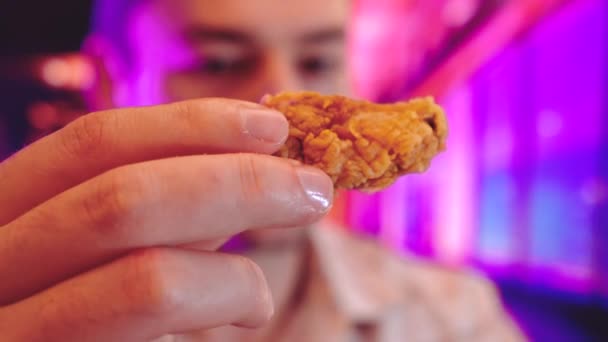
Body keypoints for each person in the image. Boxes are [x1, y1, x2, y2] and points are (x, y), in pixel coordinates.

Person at [0, 0, 525, 341]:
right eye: (221, 62)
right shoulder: (31, 303)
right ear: (113, 84)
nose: (275, 104)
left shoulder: (456, 317)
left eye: (318, 63)